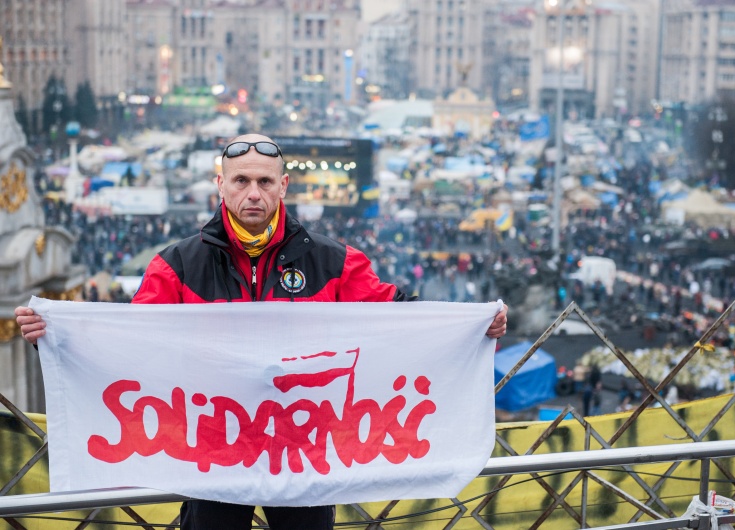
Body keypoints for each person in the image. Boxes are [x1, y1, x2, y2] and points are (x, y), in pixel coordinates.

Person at [15, 133, 509, 530]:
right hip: (211, 452)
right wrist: (58, 333)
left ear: (284, 186)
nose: (254, 193)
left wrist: (470, 323)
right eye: (242, 181)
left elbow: (394, 314)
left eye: (265, 182)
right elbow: (133, 339)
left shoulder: (332, 259)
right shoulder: (177, 265)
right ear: (221, 186)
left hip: (304, 452)